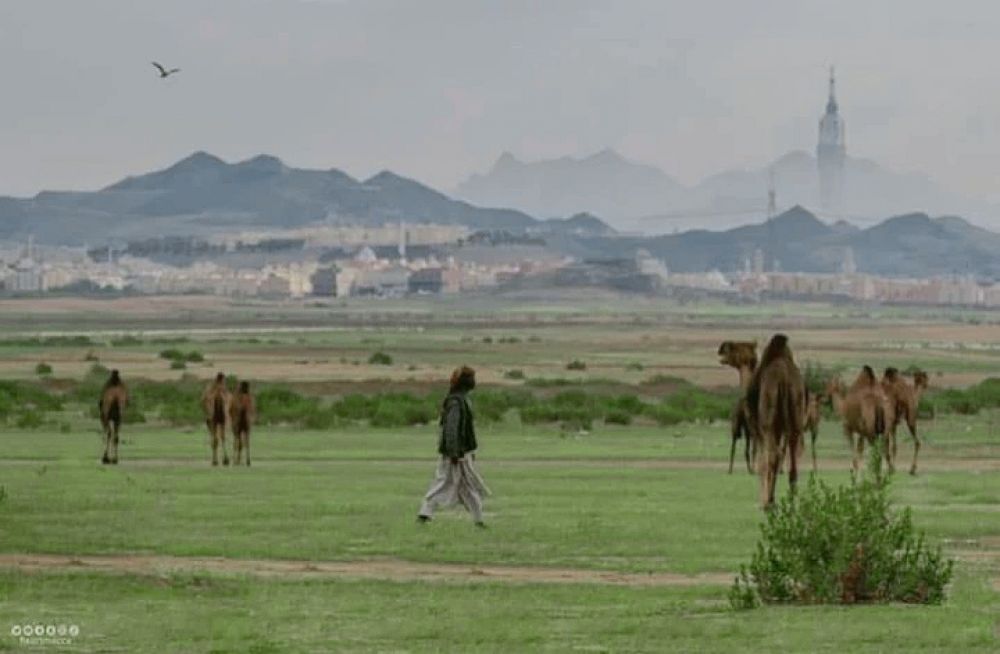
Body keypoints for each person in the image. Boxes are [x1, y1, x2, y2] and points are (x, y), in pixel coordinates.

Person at [418, 366, 490, 527]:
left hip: (462, 452)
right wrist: (454, 452)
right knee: (443, 482)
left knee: (467, 485)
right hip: (456, 453)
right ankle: (424, 513)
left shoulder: (460, 399)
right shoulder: (456, 402)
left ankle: (478, 519)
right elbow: (451, 429)